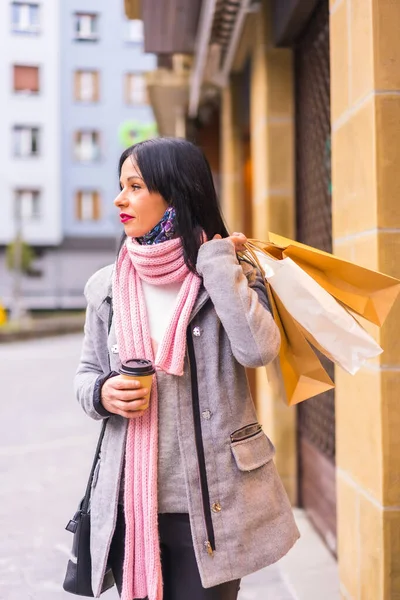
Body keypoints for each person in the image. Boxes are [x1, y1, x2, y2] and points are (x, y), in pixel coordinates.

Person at [75, 137, 299, 600]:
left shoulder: (230, 273)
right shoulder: (106, 287)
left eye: (135, 186)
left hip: (213, 504)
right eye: (121, 186)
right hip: (130, 504)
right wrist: (101, 392)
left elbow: (258, 350)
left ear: (174, 193)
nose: (120, 198)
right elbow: (85, 373)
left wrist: (218, 265)